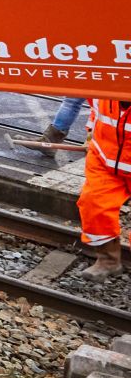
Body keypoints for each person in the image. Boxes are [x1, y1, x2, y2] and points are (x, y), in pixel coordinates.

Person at [80, 98, 127, 276]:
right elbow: (96, 108)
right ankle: (108, 261)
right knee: (93, 205)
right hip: (105, 161)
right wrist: (90, 134)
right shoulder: (106, 85)